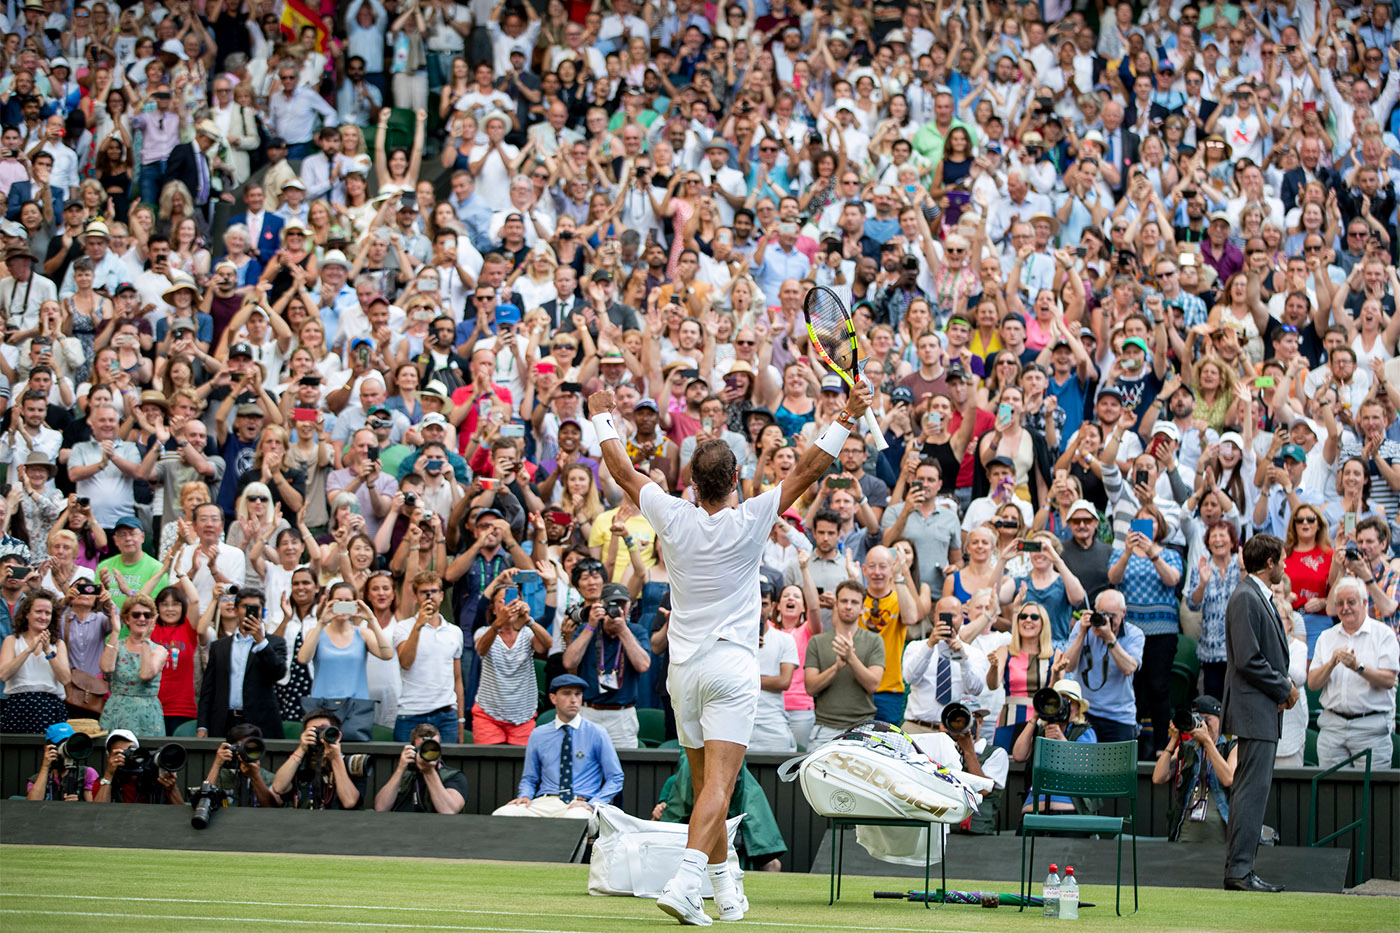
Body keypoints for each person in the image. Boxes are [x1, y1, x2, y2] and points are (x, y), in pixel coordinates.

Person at [585, 377, 872, 925]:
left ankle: (726, 885)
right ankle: (688, 879)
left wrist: (604, 417)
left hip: (683, 673)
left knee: (701, 785)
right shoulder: (752, 517)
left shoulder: (670, 513)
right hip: (731, 668)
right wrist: (849, 414)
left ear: (691, 483)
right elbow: (810, 469)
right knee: (719, 785)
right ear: (735, 479)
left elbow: (623, 471)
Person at [1223, 534, 1299, 894]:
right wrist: (1284, 687)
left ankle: (1243, 869)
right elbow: (1249, 659)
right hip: (1255, 710)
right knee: (1251, 793)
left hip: (1260, 709)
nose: (1284, 566)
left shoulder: (1253, 596)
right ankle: (1240, 871)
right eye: (1281, 560)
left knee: (1252, 791)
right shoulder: (1245, 597)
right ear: (1269, 563)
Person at [492, 674, 624, 818]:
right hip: (545, 801)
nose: (573, 700)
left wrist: (594, 803)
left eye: (578, 694)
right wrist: (525, 795)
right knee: (503, 814)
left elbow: (615, 777)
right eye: (567, 694)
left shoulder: (597, 732)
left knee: (574, 819)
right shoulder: (539, 734)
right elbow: (530, 778)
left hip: (581, 803)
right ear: (553, 698)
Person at [1307, 576, 1399, 771]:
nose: (1345, 608)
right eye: (1340, 603)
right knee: (1331, 795)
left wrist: (1358, 667)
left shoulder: (1384, 634)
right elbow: (1313, 683)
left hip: (1371, 729)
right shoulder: (1327, 637)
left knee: (1372, 796)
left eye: (1351, 602)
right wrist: (1331, 663)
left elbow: (1389, 680)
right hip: (1333, 728)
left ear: (1364, 603)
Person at [196, 587, 287, 742]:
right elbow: (208, 689)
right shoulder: (219, 646)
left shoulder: (274, 643)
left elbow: (278, 673)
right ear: (236, 610)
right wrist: (202, 726)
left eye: (255, 608)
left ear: (262, 611)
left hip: (260, 722)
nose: (249, 611)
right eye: (245, 607)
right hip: (224, 721)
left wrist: (261, 642)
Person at [804, 580, 886, 746]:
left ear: (863, 608)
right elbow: (810, 688)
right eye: (844, 601)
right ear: (836, 604)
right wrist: (836, 668)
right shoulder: (817, 642)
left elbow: (873, 685)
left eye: (854, 602)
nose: (848, 606)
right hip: (824, 728)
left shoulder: (874, 640)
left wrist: (850, 658)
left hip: (862, 728)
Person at [1060, 589, 1143, 745]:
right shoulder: (1082, 628)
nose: (1107, 620)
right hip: (1085, 712)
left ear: (1123, 612)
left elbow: (1129, 668)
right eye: (1103, 613)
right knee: (1082, 767)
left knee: (1117, 769)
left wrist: (1109, 638)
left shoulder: (1135, 634)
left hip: (1119, 716)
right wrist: (1082, 634)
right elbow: (1068, 666)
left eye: (1113, 616)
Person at [391, 571, 465, 743]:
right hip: (411, 713)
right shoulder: (403, 627)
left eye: (434, 591)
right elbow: (406, 663)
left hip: (446, 715)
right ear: (415, 597)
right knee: (407, 766)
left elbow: (458, 679)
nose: (429, 596)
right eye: (424, 592)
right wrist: (418, 626)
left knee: (446, 767)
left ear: (441, 595)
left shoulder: (454, 632)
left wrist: (460, 720)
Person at [1152, 696, 1237, 843]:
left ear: (1220, 719)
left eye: (1207, 719)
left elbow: (1228, 778)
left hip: (1221, 830)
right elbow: (1158, 777)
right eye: (1198, 719)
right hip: (1186, 830)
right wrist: (1173, 740)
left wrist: (1207, 742)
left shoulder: (1231, 747)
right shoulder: (1187, 748)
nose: (1203, 724)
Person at [901, 595, 989, 735]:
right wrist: (930, 645)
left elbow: (975, 689)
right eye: (942, 615)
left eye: (952, 616)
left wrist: (963, 659)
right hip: (916, 727)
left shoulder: (974, 654)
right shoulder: (917, 647)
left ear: (962, 618)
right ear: (934, 617)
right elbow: (910, 678)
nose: (946, 620)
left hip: (955, 730)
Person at [1011, 678, 1098, 814]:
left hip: (1071, 805)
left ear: (1077, 709)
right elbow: (1018, 755)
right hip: (1034, 806)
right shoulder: (1041, 731)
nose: (1061, 707)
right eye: (1057, 701)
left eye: (1068, 702)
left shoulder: (1084, 731)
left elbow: (1085, 766)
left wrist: (1061, 739)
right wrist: (1034, 718)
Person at [97, 595, 167, 736]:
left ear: (152, 619)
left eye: (147, 615)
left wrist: (145, 640)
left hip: (146, 715)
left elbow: (146, 674)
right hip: (116, 712)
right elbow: (106, 668)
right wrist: (116, 631)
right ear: (127, 619)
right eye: (136, 615)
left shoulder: (159, 650)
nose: (141, 619)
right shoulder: (118, 645)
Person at [271, 708, 366, 810]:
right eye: (314, 731)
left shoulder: (352, 763)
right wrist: (301, 749)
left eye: (325, 730)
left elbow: (349, 802)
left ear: (338, 735)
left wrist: (335, 759)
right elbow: (278, 788)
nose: (320, 736)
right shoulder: (299, 763)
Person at [375, 722, 469, 813]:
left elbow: (449, 810)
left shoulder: (454, 777)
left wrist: (429, 772)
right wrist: (400, 769)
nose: (429, 753)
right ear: (413, 750)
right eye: (423, 748)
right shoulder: (405, 776)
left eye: (433, 747)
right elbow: (380, 808)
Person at [93, 729, 185, 805]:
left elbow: (181, 815)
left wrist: (172, 789)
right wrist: (109, 775)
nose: (128, 756)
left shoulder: (153, 779)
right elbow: (96, 814)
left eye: (131, 751)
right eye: (120, 753)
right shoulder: (102, 783)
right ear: (109, 758)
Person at [26, 721, 98, 802]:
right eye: (60, 743)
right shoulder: (37, 779)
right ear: (47, 748)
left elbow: (94, 809)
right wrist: (45, 767)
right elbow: (32, 804)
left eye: (68, 744)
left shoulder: (86, 774)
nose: (65, 749)